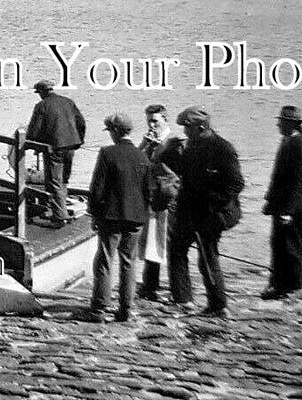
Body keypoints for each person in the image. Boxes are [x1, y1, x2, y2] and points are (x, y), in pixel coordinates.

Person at [161, 106, 244, 318]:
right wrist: (168, 149)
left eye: (187, 128)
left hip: (211, 214)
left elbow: (235, 184)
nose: (185, 132)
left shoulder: (223, 148)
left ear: (200, 126)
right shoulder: (190, 145)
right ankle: (182, 300)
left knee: (208, 257)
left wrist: (212, 204)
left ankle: (218, 305)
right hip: (189, 211)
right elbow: (180, 171)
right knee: (177, 249)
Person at [82, 113, 154, 323]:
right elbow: (148, 190)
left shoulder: (107, 153)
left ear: (114, 131)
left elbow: (97, 189)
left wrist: (94, 213)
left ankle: (99, 309)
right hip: (136, 218)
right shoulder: (143, 157)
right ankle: (126, 309)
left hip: (111, 217)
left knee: (104, 260)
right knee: (128, 262)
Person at [261, 105, 302, 299]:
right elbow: (278, 178)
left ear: (290, 124)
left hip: (292, 208)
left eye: (281, 121)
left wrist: (289, 211)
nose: (278, 124)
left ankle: (296, 287)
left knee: (292, 248)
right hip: (281, 206)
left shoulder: (299, 145)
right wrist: (270, 201)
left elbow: (299, 182)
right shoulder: (287, 142)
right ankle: (280, 285)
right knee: (279, 246)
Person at [24, 79, 86, 228]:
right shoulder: (68, 101)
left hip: (54, 148)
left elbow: (34, 130)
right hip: (71, 145)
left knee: (54, 181)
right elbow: (81, 123)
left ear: (42, 92)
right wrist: (79, 140)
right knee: (64, 179)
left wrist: (32, 144)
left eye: (38, 93)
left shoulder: (41, 106)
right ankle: (60, 210)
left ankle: (59, 217)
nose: (39, 96)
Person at [137, 104, 182, 302]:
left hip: (169, 202)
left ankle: (178, 290)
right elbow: (137, 166)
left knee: (171, 247)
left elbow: (179, 175)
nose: (152, 125)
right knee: (151, 245)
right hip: (152, 200)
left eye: (155, 121)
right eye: (149, 121)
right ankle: (149, 286)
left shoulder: (174, 144)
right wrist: (143, 145)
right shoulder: (150, 142)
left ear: (165, 120)